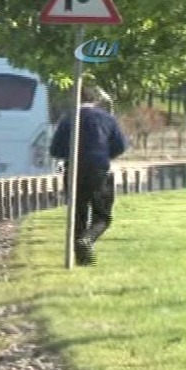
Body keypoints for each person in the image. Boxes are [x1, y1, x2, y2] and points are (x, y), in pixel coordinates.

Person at [49, 86, 129, 266]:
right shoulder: (107, 118)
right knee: (102, 216)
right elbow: (120, 146)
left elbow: (55, 149)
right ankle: (88, 240)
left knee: (78, 214)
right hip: (100, 170)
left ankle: (82, 260)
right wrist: (106, 154)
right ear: (95, 100)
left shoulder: (68, 119)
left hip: (74, 170)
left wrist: (69, 154)